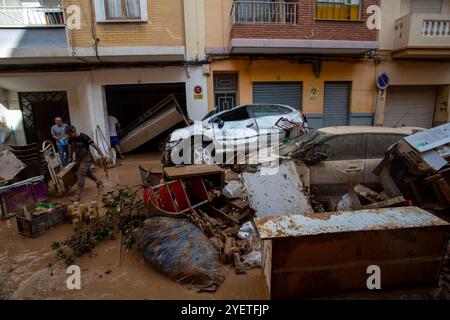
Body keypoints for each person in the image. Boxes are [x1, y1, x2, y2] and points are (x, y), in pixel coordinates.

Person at [65, 125, 107, 202]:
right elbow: (70, 149)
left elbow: (95, 146)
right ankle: (99, 182)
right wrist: (70, 157)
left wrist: (102, 155)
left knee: (80, 174)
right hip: (79, 159)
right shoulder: (70, 139)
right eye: (68, 135)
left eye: (70, 134)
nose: (69, 136)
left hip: (86, 158)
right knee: (86, 173)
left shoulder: (84, 137)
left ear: (73, 131)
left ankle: (77, 196)